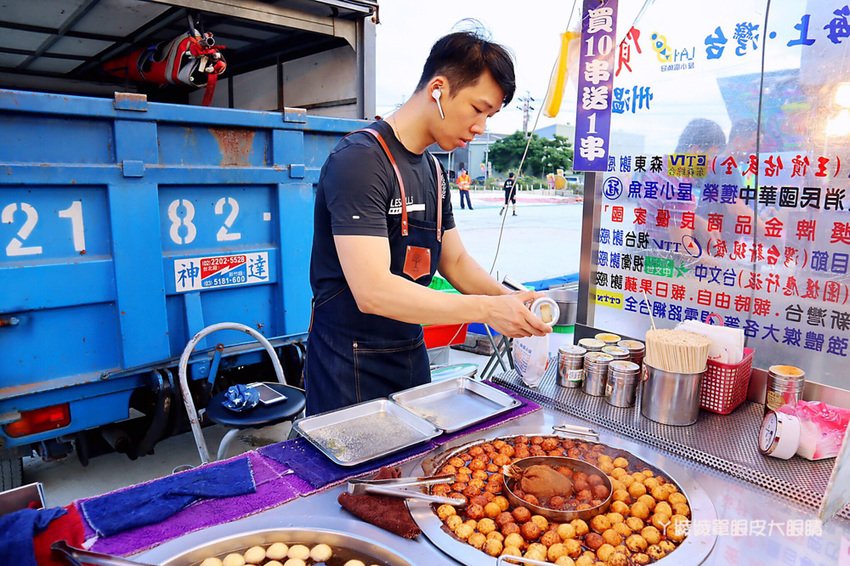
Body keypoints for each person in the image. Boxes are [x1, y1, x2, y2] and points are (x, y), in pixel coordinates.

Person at [304, 27, 551, 415]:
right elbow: (372, 291)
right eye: (478, 109)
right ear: (438, 89)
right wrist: (486, 311)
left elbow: (454, 262)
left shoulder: (434, 171)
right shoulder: (361, 160)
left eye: (490, 115)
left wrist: (508, 301)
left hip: (409, 355)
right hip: (347, 364)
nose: (481, 127)